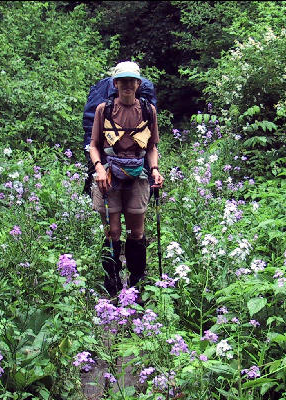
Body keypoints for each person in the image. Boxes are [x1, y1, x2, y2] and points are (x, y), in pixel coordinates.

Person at [88, 61, 164, 298]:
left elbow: (152, 147)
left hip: (138, 176)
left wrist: (155, 169)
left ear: (138, 84)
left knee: (137, 232)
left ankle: (136, 284)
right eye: (123, 81)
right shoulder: (104, 109)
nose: (128, 85)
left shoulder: (148, 111)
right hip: (109, 176)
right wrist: (99, 168)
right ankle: (110, 282)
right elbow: (93, 145)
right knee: (113, 231)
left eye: (132, 81)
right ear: (116, 84)